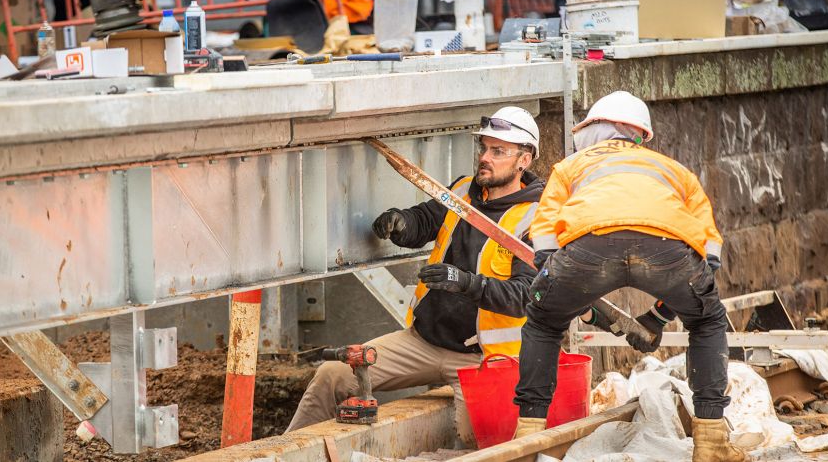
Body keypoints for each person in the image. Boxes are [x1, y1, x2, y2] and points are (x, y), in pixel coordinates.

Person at [286, 106, 546, 446]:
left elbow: (527, 297)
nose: (485, 157)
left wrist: (465, 282)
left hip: (482, 361)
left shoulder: (536, 218)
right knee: (332, 376)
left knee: (478, 444)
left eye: (498, 152)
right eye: (483, 148)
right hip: (421, 342)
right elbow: (426, 219)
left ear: (524, 160)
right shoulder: (464, 190)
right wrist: (401, 223)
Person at [513, 91, 743, 462]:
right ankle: (712, 440)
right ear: (639, 135)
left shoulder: (571, 166)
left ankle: (526, 436)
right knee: (707, 320)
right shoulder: (672, 169)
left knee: (543, 323)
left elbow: (545, 234)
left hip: (588, 245)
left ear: (592, 130)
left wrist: (558, 283)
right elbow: (707, 250)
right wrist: (661, 315)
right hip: (666, 245)